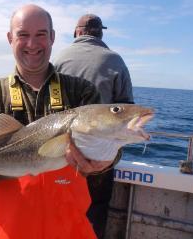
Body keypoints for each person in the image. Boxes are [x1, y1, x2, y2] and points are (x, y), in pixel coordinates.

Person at [0, 5, 117, 239]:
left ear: (52, 37)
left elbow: (109, 148)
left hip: (68, 228)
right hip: (6, 230)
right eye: (23, 35)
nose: (32, 44)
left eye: (41, 34)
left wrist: (104, 162)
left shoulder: (82, 92)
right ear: (10, 38)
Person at [53, 14, 134, 239]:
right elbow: (126, 111)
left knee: (58, 209)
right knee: (95, 210)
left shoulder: (59, 58)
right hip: (100, 157)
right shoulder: (115, 60)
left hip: (61, 153)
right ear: (100, 33)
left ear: (77, 32)